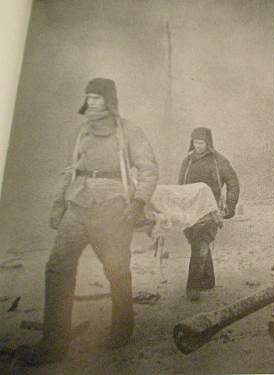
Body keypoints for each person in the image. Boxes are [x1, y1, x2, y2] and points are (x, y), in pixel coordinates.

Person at [16, 78, 159, 366]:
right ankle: (54, 345)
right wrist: (58, 205)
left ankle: (122, 327)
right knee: (57, 267)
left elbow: (148, 170)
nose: (92, 102)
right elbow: (68, 171)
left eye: (97, 97)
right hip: (78, 204)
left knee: (116, 270)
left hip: (114, 208)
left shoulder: (128, 131)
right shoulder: (80, 132)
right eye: (89, 97)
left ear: (109, 100)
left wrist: (138, 202)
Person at [178, 127, 239, 301]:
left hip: (211, 209)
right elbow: (179, 186)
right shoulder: (187, 161)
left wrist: (230, 205)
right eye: (195, 142)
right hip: (191, 209)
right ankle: (208, 279)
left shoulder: (218, 161)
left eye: (201, 143)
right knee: (196, 242)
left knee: (201, 242)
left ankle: (193, 286)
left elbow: (233, 181)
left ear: (208, 143)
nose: (198, 146)